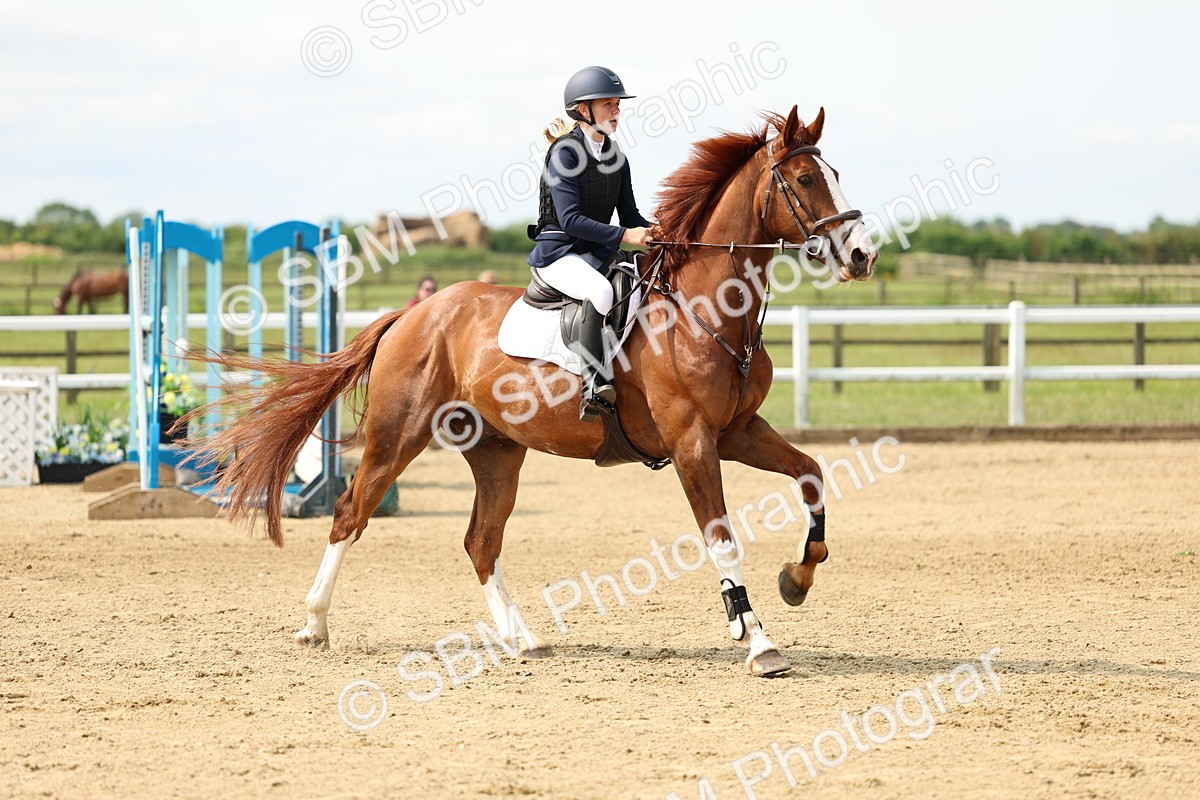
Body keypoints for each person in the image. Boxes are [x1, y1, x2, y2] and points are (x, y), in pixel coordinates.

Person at [528, 65, 654, 422]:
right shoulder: (564, 154)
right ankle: (594, 385)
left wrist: (660, 231)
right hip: (559, 252)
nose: (617, 111)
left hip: (596, 251)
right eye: (609, 104)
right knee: (600, 292)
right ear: (584, 111)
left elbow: (630, 216)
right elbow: (570, 220)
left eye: (618, 104)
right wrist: (625, 236)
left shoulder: (617, 157)